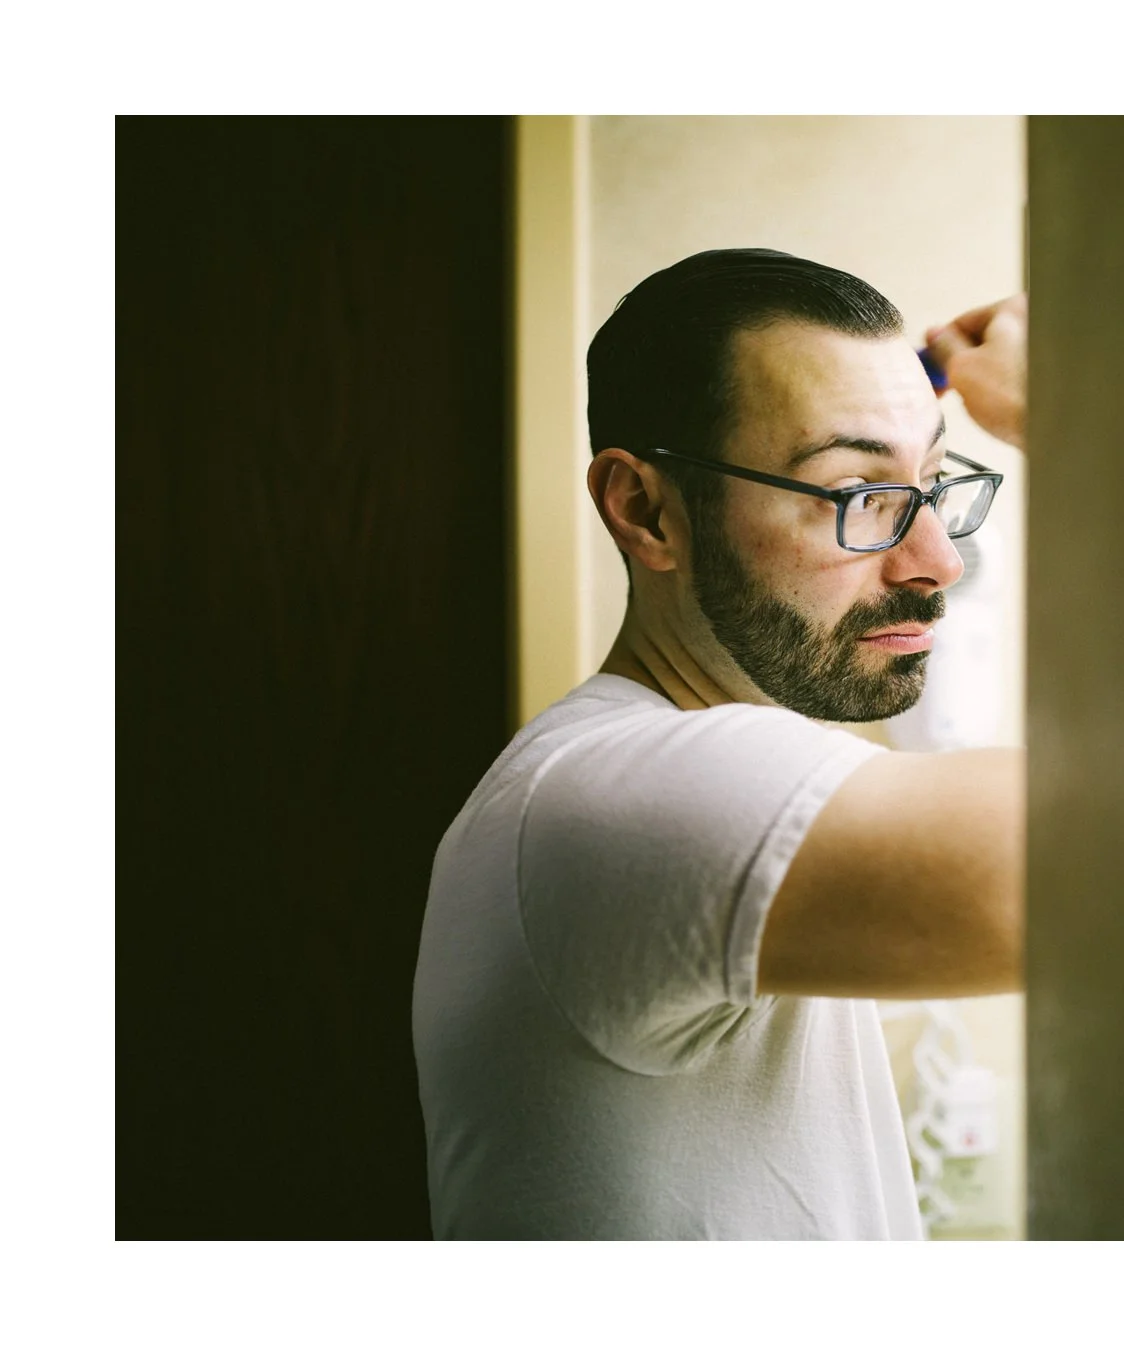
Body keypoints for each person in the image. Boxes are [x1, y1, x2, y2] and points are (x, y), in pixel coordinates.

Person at [412, 249, 1030, 1239]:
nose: (938, 561)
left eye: (929, 484)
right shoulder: (615, 798)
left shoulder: (674, 775)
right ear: (645, 509)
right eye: (857, 494)